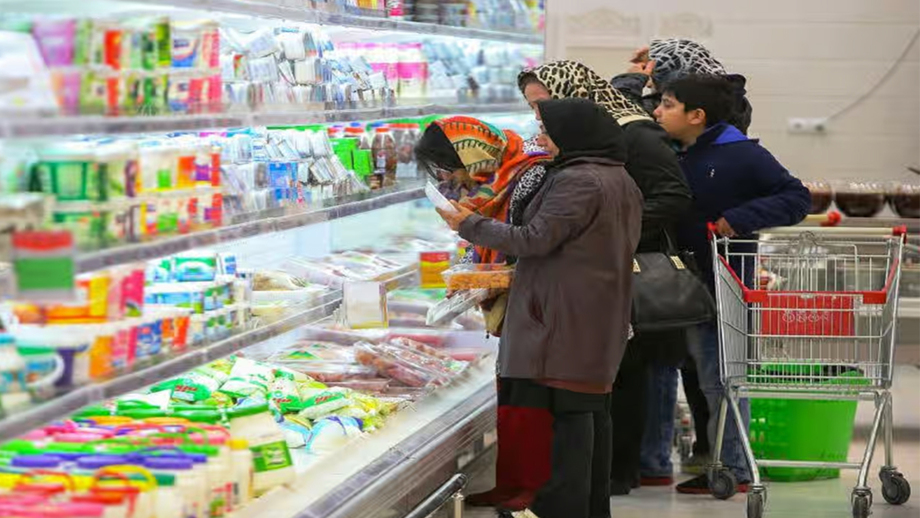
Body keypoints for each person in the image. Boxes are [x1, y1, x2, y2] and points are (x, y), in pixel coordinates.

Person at [437, 97, 643, 518]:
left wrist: (469, 225)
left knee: (567, 421)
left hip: (565, 313)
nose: (541, 140)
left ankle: (561, 509)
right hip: (590, 310)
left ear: (574, 135)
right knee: (585, 412)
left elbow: (534, 239)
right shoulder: (615, 176)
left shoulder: (579, 181)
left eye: (547, 132)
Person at [517, 60, 692, 495]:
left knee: (623, 375)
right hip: (599, 268)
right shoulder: (579, 142)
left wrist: (610, 232)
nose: (538, 116)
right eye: (532, 107)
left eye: (543, 104)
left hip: (629, 268)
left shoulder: (634, 133)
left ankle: (622, 470)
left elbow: (674, 195)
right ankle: (607, 474)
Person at [653, 74, 811, 495]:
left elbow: (796, 197)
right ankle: (724, 463)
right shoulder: (681, 152)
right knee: (708, 379)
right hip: (683, 286)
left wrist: (739, 219)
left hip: (724, 286)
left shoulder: (740, 154)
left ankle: (734, 468)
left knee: (722, 380)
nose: (658, 112)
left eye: (667, 104)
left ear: (696, 115)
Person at [414, 116, 555, 510]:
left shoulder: (530, 173)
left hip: (535, 302)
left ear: (471, 153)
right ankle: (510, 483)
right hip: (512, 301)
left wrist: (489, 268)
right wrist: (468, 273)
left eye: (450, 166)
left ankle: (528, 487)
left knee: (528, 399)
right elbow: (482, 235)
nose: (450, 178)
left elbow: (529, 240)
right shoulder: (495, 178)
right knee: (511, 394)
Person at [613, 38, 753, 135]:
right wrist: (665, 52)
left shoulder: (671, 108)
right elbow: (688, 59)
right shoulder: (734, 101)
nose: (649, 84)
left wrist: (630, 80)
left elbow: (613, 121)